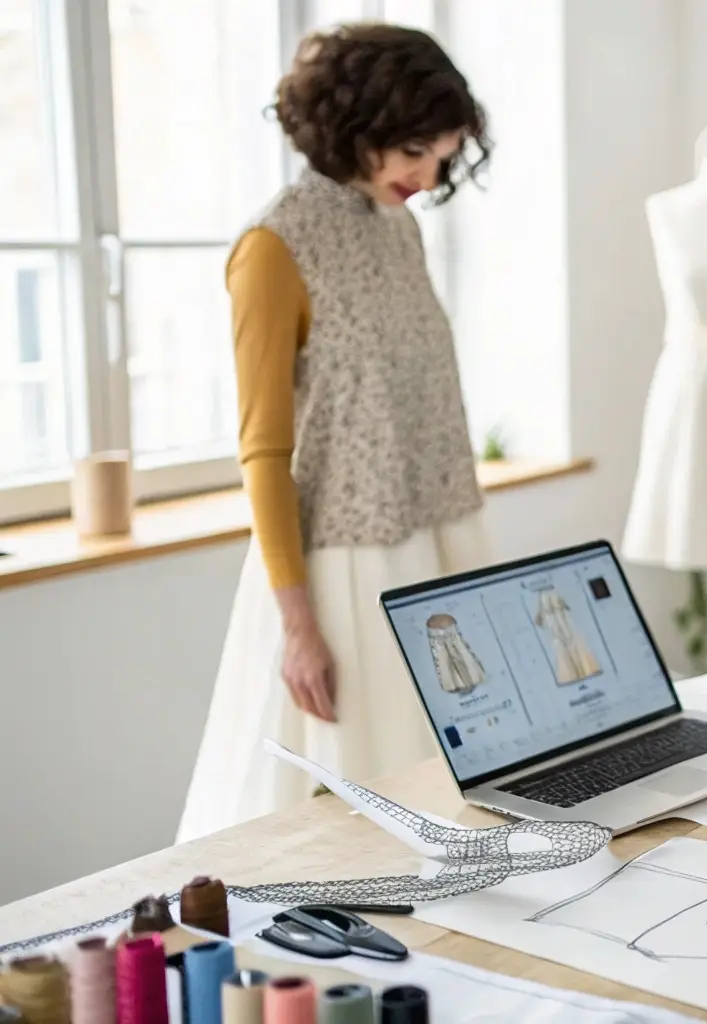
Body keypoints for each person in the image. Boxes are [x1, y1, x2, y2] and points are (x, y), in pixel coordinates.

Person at [176, 23, 494, 842]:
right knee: (359, 821)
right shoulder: (273, 247)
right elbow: (265, 451)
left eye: (442, 157)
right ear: (358, 126)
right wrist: (298, 626)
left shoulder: (399, 225)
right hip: (342, 569)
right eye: (414, 151)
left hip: (436, 545)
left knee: (455, 806)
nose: (426, 177)